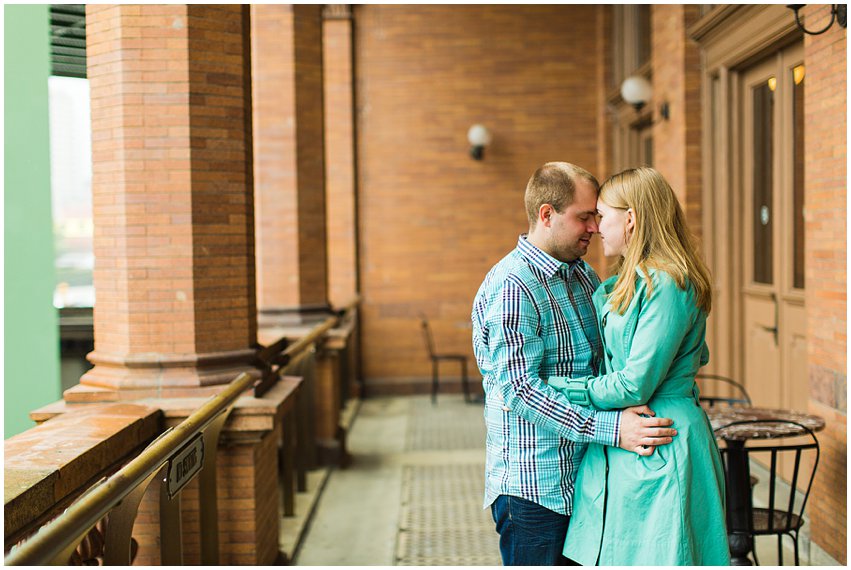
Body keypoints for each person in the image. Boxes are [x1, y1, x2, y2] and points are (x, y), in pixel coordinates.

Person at [471, 162, 678, 566]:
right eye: (584, 217)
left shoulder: (583, 275)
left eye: (598, 217)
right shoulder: (513, 286)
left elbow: (602, 365)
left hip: (588, 478)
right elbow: (521, 391)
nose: (595, 228)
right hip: (536, 491)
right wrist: (614, 428)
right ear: (546, 215)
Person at [551, 166, 730, 565]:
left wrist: (561, 387)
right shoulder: (633, 280)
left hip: (661, 440)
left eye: (602, 214)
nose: (596, 227)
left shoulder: (668, 283)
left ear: (630, 218)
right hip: (636, 437)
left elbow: (635, 384)